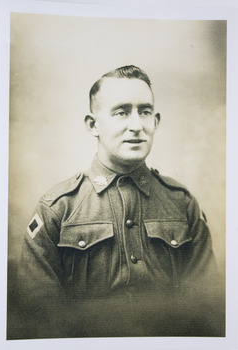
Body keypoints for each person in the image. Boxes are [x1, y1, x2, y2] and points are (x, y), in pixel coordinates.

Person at [12, 65, 224, 339]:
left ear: (156, 121)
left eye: (145, 111)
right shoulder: (57, 208)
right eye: (122, 112)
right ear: (93, 125)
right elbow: (39, 317)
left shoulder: (182, 204)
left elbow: (207, 309)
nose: (136, 125)